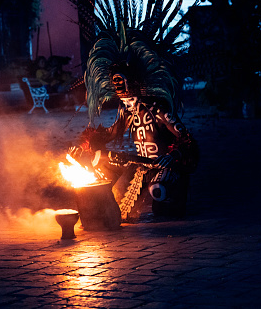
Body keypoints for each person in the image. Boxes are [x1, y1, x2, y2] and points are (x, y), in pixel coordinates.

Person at [70, 62, 198, 222]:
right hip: (143, 167)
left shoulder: (159, 111)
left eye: (130, 100)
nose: (127, 105)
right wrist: (83, 145)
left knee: (159, 193)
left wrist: (174, 155)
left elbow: (187, 140)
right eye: (124, 101)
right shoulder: (128, 114)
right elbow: (107, 135)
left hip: (166, 166)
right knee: (122, 208)